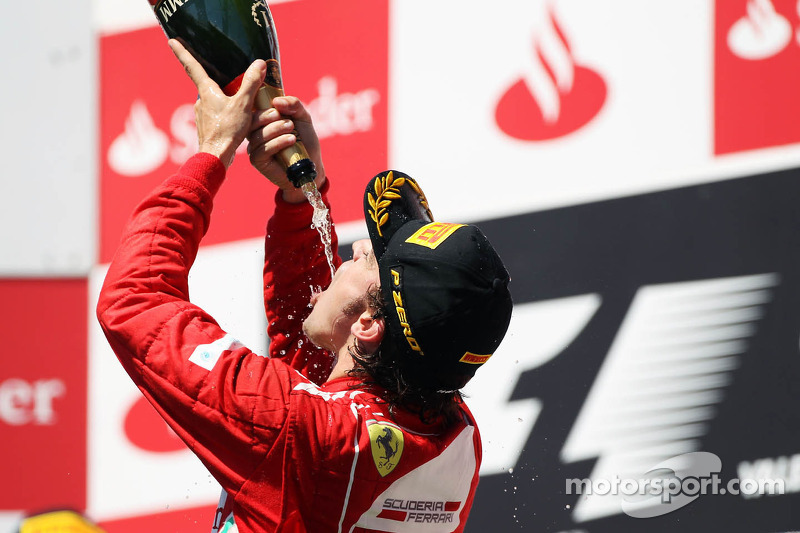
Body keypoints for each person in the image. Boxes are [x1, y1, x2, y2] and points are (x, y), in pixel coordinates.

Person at [96, 40, 513, 533]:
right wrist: (302, 196)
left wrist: (211, 153)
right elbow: (317, 354)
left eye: (373, 259)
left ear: (369, 325)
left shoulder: (302, 432)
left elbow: (135, 300)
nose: (358, 248)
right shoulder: (453, 436)